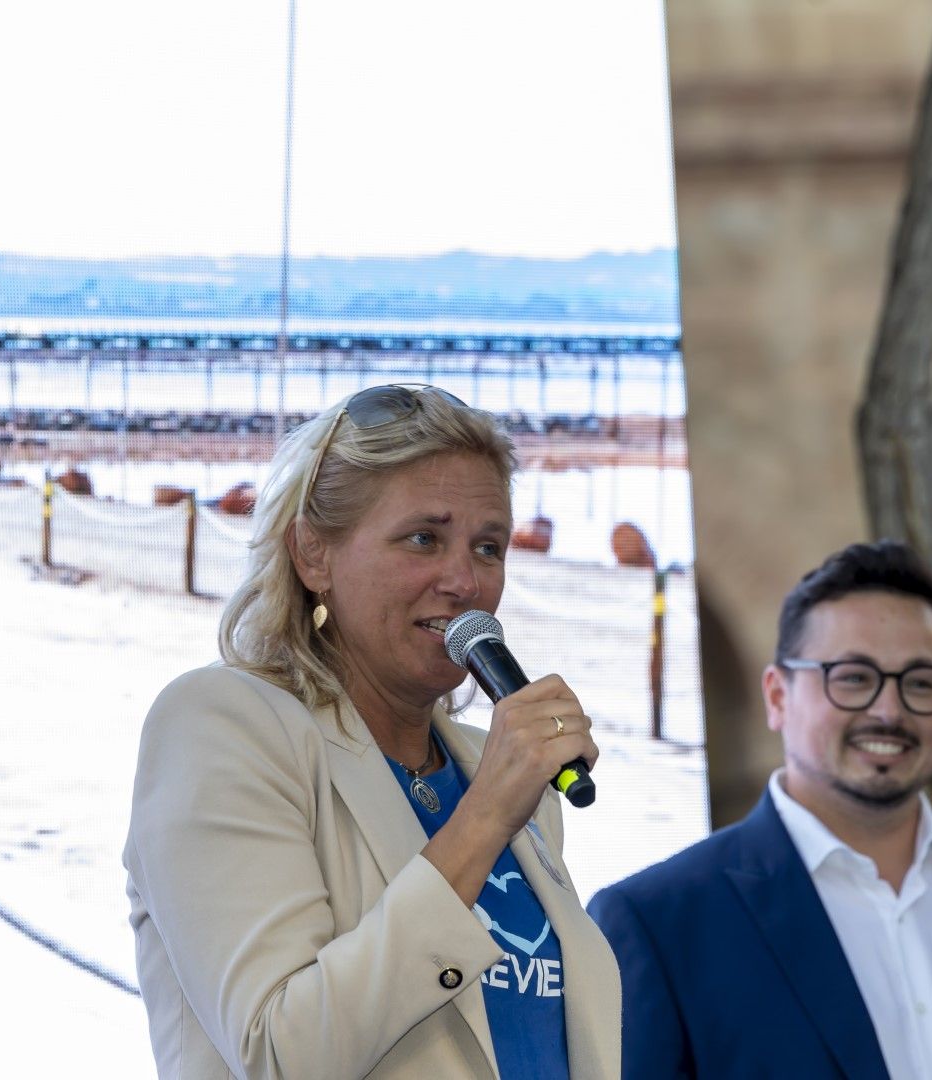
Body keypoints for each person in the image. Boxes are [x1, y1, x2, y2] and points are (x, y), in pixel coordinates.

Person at [123, 384, 621, 1079]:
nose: (464, 581)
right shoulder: (222, 726)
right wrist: (479, 822)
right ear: (313, 555)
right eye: (425, 538)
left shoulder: (493, 770)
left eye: (488, 546)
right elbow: (278, 1053)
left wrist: (493, 798)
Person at [587, 540, 932, 1079]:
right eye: (853, 678)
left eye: (920, 682)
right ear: (778, 697)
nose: (889, 711)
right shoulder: (657, 923)